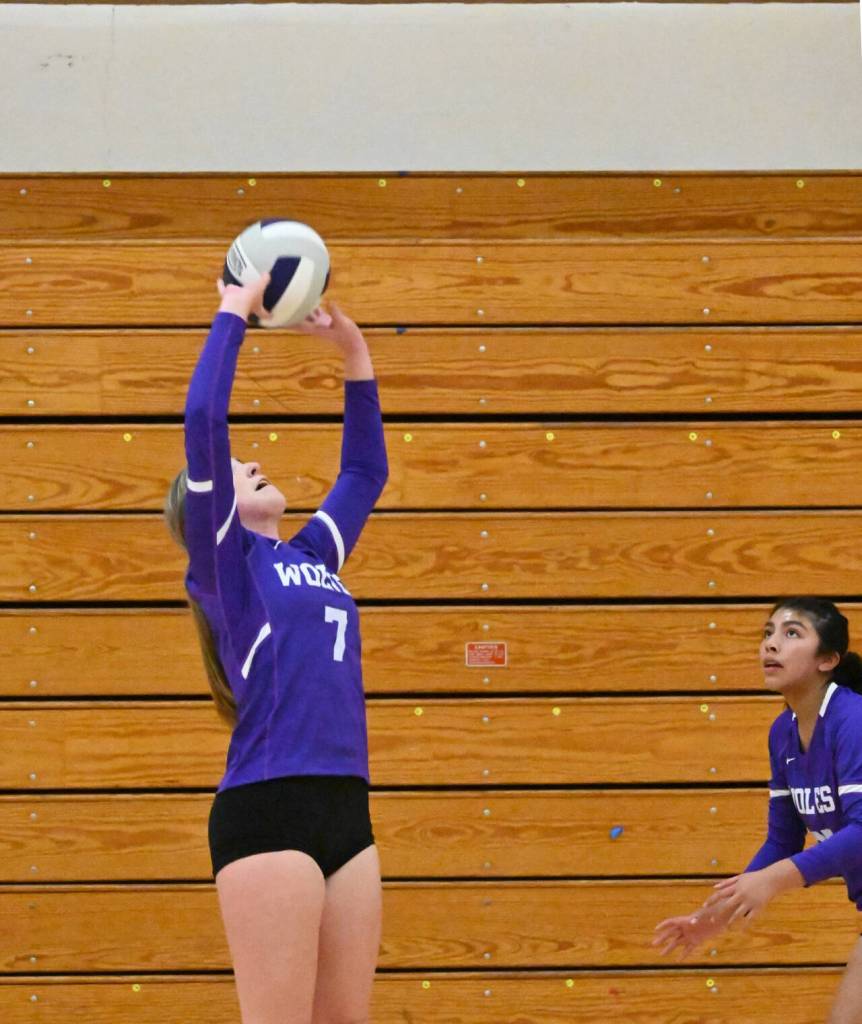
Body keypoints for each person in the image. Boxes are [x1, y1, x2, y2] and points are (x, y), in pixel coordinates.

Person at [164, 272, 388, 1024]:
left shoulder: (311, 555)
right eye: (237, 469)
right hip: (268, 807)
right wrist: (233, 309)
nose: (252, 463)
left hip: (346, 806)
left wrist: (352, 352)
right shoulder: (225, 566)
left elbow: (365, 472)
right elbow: (205, 419)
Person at [653, 597, 862, 1023]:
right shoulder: (783, 733)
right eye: (768, 633)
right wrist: (715, 915)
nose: (771, 644)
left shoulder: (853, 719)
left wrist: (772, 881)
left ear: (827, 659)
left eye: (791, 633)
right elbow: (782, 841)